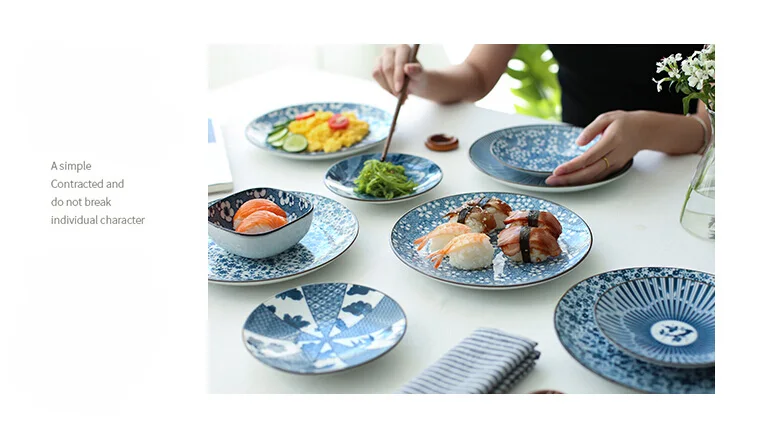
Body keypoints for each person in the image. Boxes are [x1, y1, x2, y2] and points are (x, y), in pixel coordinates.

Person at [372, 44, 711, 186]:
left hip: (674, 173)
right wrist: (420, 79)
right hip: (565, 161)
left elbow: (709, 126)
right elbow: (476, 76)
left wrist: (643, 132)